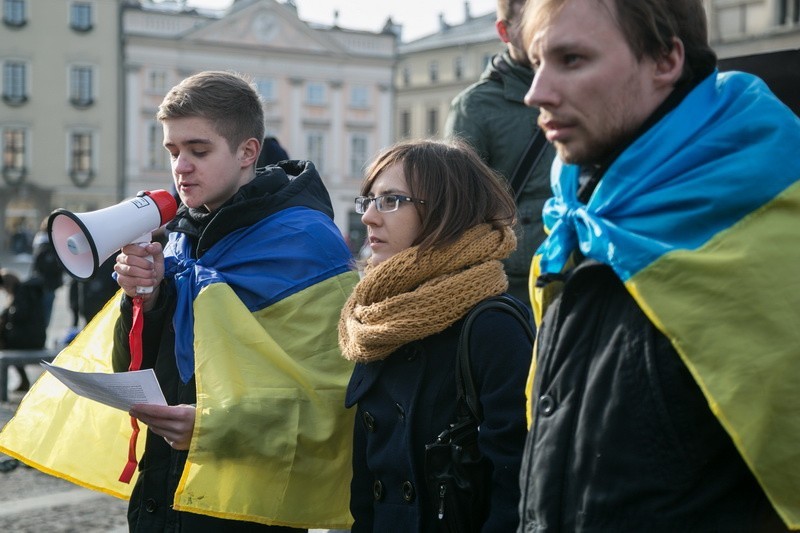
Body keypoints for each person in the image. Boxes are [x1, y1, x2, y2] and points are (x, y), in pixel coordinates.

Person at [518, 0, 800, 530]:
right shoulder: (581, 218)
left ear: (665, 61)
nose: (537, 93)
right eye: (536, 63)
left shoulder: (777, 226)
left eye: (572, 59)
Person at [105, 71, 360, 531]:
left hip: (253, 502)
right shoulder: (181, 239)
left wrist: (211, 427)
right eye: (173, 151)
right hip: (165, 487)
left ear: (247, 152)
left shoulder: (308, 244)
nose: (180, 166)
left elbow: (331, 399)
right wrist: (145, 299)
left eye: (198, 151)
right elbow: (135, 368)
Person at [339, 139, 534, 531]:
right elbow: (367, 483)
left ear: (447, 211)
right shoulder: (377, 320)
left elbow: (517, 483)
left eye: (391, 200)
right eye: (370, 201)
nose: (369, 218)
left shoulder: (492, 326)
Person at [444, 0, 554, 309]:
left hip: (574, 265)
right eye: (530, 23)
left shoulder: (578, 87)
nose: (541, 32)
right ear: (504, 31)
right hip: (511, 284)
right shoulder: (474, 106)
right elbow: (456, 205)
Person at [0, 269, 47, 391]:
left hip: (30, 339)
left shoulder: (22, 294)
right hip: (36, 338)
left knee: (4, 344)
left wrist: (7, 317)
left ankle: (18, 382)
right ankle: (22, 380)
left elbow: (20, 315)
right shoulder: (26, 292)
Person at [30, 217, 64, 327]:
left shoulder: (39, 241)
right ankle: (42, 337)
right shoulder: (48, 245)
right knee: (45, 314)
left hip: (40, 284)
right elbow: (50, 266)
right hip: (47, 284)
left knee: (40, 313)